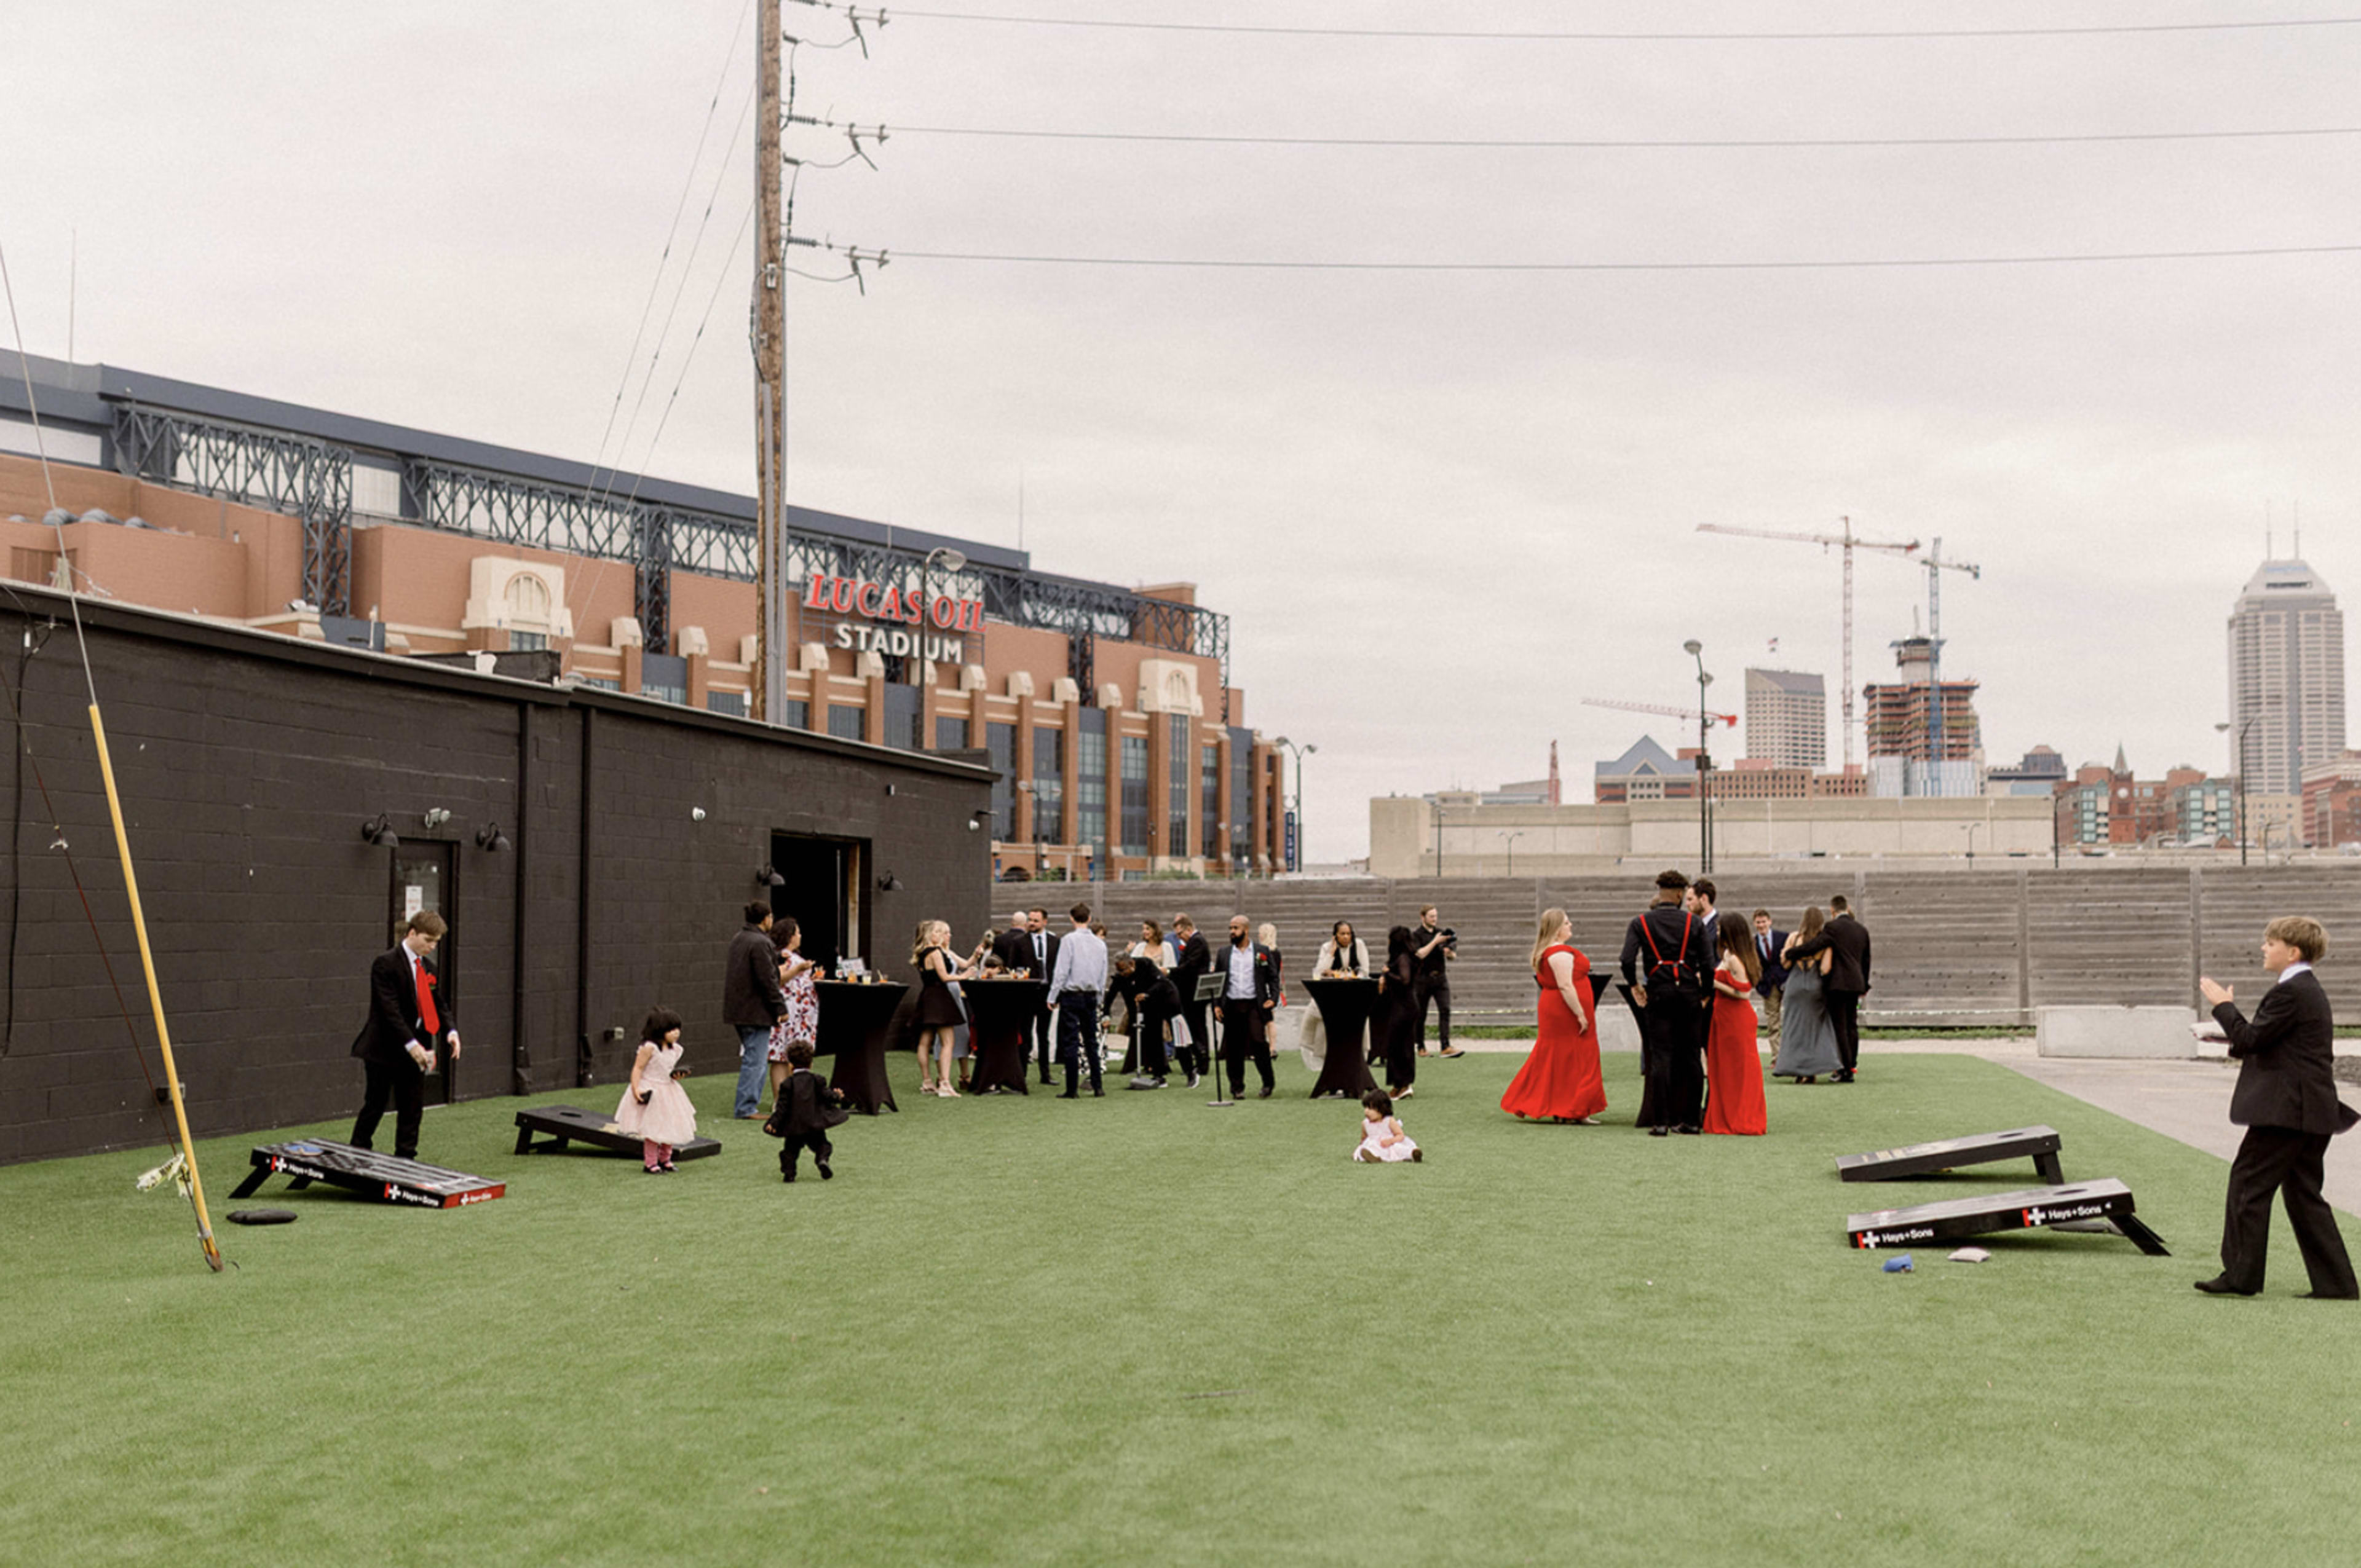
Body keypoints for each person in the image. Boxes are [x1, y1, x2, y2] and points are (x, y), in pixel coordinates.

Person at [2194, 917, 2359, 1298]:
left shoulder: (2292, 991)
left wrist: (2224, 1007)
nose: (2264, 949)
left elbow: (2251, 1039)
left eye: (2271, 943)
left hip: (2289, 1112)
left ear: (2293, 951)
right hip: (2312, 1110)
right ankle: (2337, 1284)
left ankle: (2241, 1277)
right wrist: (2232, 1027)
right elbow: (2272, 1042)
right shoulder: (2306, 990)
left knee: (2248, 1185)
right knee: (2303, 1195)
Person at [349, 910, 462, 1160]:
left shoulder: (428, 968)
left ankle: (406, 1157)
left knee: (412, 1105)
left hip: (416, 1048)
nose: (432, 946)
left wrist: (451, 1031)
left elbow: (438, 1003)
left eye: (436, 942)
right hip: (383, 1048)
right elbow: (389, 1010)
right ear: (412, 933)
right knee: (376, 1103)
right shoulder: (385, 963)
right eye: (428, 940)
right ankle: (357, 1151)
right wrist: (411, 1045)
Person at [1620, 869, 1709, 1135]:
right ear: (1681, 894)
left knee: (1661, 1057)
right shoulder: (1695, 923)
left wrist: (1635, 986)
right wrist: (1705, 995)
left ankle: (1660, 1123)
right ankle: (1691, 1121)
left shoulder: (1641, 923)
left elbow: (1627, 960)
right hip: (1689, 993)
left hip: (1658, 993)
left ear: (1660, 892)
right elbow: (1708, 963)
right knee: (1692, 1057)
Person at [1501, 907, 1606, 1125]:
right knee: (1576, 1057)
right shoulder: (1559, 953)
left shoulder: (1550, 951)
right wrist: (1580, 1014)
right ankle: (1573, 1108)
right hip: (1564, 1012)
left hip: (1557, 1009)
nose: (1571, 926)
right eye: (1567, 923)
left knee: (1562, 1057)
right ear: (1557, 929)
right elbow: (1566, 986)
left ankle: (1569, 1107)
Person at [1784, 892, 1871, 1082]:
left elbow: (1815, 946)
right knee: (1851, 1025)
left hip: (1838, 984)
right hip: (1856, 984)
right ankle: (1852, 1064)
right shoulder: (1862, 930)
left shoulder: (1833, 928)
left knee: (1839, 1026)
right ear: (1847, 909)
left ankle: (1844, 1069)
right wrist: (1864, 984)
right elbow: (1866, 961)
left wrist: (1792, 953)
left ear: (1833, 911)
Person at [723, 900, 789, 1119]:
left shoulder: (738, 939)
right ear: (766, 918)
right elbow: (767, 979)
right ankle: (746, 1107)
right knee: (756, 1060)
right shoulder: (761, 942)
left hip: (738, 1009)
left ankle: (748, 1105)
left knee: (754, 1058)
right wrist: (780, 1006)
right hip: (755, 1011)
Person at [1703, 919, 1768, 1136]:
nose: (1718, 932)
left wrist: (1714, 983)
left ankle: (1741, 1117)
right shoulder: (1729, 955)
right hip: (1724, 1016)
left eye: (1722, 929)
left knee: (1739, 1068)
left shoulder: (1735, 960)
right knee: (1726, 1068)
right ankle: (1730, 1115)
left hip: (1736, 1018)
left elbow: (1744, 993)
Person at [614, 1006, 696, 1173]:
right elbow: (638, 1068)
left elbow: (668, 1071)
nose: (676, 1033)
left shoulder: (676, 1049)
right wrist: (636, 1089)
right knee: (653, 1128)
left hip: (669, 1090)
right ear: (659, 1031)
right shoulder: (649, 1048)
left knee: (670, 1124)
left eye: (677, 1029)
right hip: (652, 1088)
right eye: (671, 1030)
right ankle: (651, 1162)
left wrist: (676, 1076)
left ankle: (666, 1159)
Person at [1047, 902, 1110, 1098]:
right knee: (1092, 1041)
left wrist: (1052, 995)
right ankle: (1098, 1086)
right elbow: (1103, 973)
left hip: (1072, 995)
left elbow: (1062, 971)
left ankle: (1072, 1088)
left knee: (1071, 1042)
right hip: (1091, 996)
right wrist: (1099, 997)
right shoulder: (1100, 944)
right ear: (1089, 919)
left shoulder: (1068, 940)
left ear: (1072, 919)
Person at [1773, 907, 1843, 1084]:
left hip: (1795, 985)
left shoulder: (1793, 938)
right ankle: (1811, 1070)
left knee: (1793, 1027)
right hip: (1814, 985)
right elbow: (1825, 968)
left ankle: (1796, 1068)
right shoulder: (1824, 942)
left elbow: (1785, 964)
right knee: (1815, 1029)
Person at [1219, 913, 1283, 1099]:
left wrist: (1274, 997)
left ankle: (1268, 1082)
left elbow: (1273, 976)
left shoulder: (1261, 951)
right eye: (1230, 928)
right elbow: (1219, 981)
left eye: (1236, 928)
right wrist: (1217, 1005)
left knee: (1258, 1042)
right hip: (1231, 1003)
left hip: (1255, 1003)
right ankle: (1237, 1087)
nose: (1232, 932)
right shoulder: (1224, 953)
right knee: (1234, 1048)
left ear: (1246, 930)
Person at [768, 1041, 849, 1183]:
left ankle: (789, 1173)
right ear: (811, 1064)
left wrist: (773, 1122)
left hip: (794, 1126)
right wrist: (838, 1096)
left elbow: (782, 1107)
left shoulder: (787, 1084)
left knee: (790, 1151)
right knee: (823, 1145)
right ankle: (822, 1160)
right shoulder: (818, 1080)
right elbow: (827, 1096)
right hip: (814, 1124)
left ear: (790, 1066)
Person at [912, 920, 976, 1098]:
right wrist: (964, 976)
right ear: (932, 935)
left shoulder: (921, 953)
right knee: (948, 1041)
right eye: (939, 932)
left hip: (927, 997)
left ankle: (927, 1082)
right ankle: (945, 1083)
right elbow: (945, 977)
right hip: (940, 999)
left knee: (925, 1041)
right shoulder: (936, 952)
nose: (943, 936)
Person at [764, 917, 821, 1111]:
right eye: (797, 933)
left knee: (792, 1057)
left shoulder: (792, 957)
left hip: (802, 1017)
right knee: (782, 1057)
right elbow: (776, 979)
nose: (800, 936)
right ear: (789, 936)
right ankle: (782, 1101)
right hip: (789, 1015)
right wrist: (799, 969)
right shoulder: (784, 957)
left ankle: (794, 1100)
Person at [1112, 954, 1185, 1089]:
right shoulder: (1125, 977)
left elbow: (1161, 983)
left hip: (1168, 999)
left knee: (1179, 1037)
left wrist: (1147, 994)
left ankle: (1191, 1071)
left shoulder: (1146, 964)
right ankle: (1159, 1075)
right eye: (1119, 971)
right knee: (1153, 1038)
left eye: (1123, 970)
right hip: (1152, 1005)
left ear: (1132, 965)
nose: (1122, 974)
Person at [1410, 904, 1461, 1058]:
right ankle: (1421, 1047)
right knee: (1421, 1013)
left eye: (1436, 916)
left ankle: (1445, 1046)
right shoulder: (1417, 935)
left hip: (1440, 978)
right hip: (1423, 979)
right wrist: (1435, 942)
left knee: (1445, 1009)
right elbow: (1420, 954)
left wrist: (1449, 952)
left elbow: (1453, 957)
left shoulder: (1442, 934)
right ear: (1423, 917)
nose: (1434, 919)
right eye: (1431, 916)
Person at [1377, 925, 1421, 1098]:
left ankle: (1402, 1083)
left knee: (1397, 1046)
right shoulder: (1409, 956)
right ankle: (1402, 1084)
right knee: (1402, 1045)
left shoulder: (1402, 958)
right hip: (1407, 1006)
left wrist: (1387, 974)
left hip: (1404, 1007)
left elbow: (1405, 980)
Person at [1169, 914, 1212, 1088]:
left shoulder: (1197, 942)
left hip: (1195, 992)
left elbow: (1190, 967)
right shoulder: (1194, 942)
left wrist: (1172, 973)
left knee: (1197, 1027)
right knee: (1195, 1026)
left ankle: (1202, 1062)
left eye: (1180, 934)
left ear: (1188, 929)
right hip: (1191, 991)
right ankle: (1200, 1059)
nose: (1179, 938)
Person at [1022, 908, 1060, 1084]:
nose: (1032, 923)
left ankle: (1045, 1075)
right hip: (1027, 993)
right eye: (1030, 920)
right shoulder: (1019, 942)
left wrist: (1056, 995)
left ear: (1045, 922)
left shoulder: (1055, 942)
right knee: (1025, 1034)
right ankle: (1021, 1074)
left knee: (1043, 1035)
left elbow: (1059, 969)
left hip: (1047, 993)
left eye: (1036, 921)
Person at [1751, 909, 1790, 1042]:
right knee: (1773, 1023)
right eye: (1758, 922)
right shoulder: (1753, 943)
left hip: (1786, 982)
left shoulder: (1783, 937)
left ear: (1770, 922)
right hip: (1767, 985)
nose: (1761, 925)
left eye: (1764, 922)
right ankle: (1776, 1058)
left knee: (1790, 1018)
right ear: (1754, 924)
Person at [1353, 1087, 1422, 1164]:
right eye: (1366, 1107)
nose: (1366, 1111)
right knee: (1371, 1149)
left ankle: (1413, 1154)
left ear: (1382, 1109)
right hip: (1376, 1145)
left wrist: (1390, 1141)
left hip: (1390, 1145)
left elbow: (1400, 1135)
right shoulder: (1365, 1123)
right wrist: (1360, 1148)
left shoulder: (1389, 1121)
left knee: (1399, 1149)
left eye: (1371, 1108)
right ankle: (1373, 1157)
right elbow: (1364, 1138)